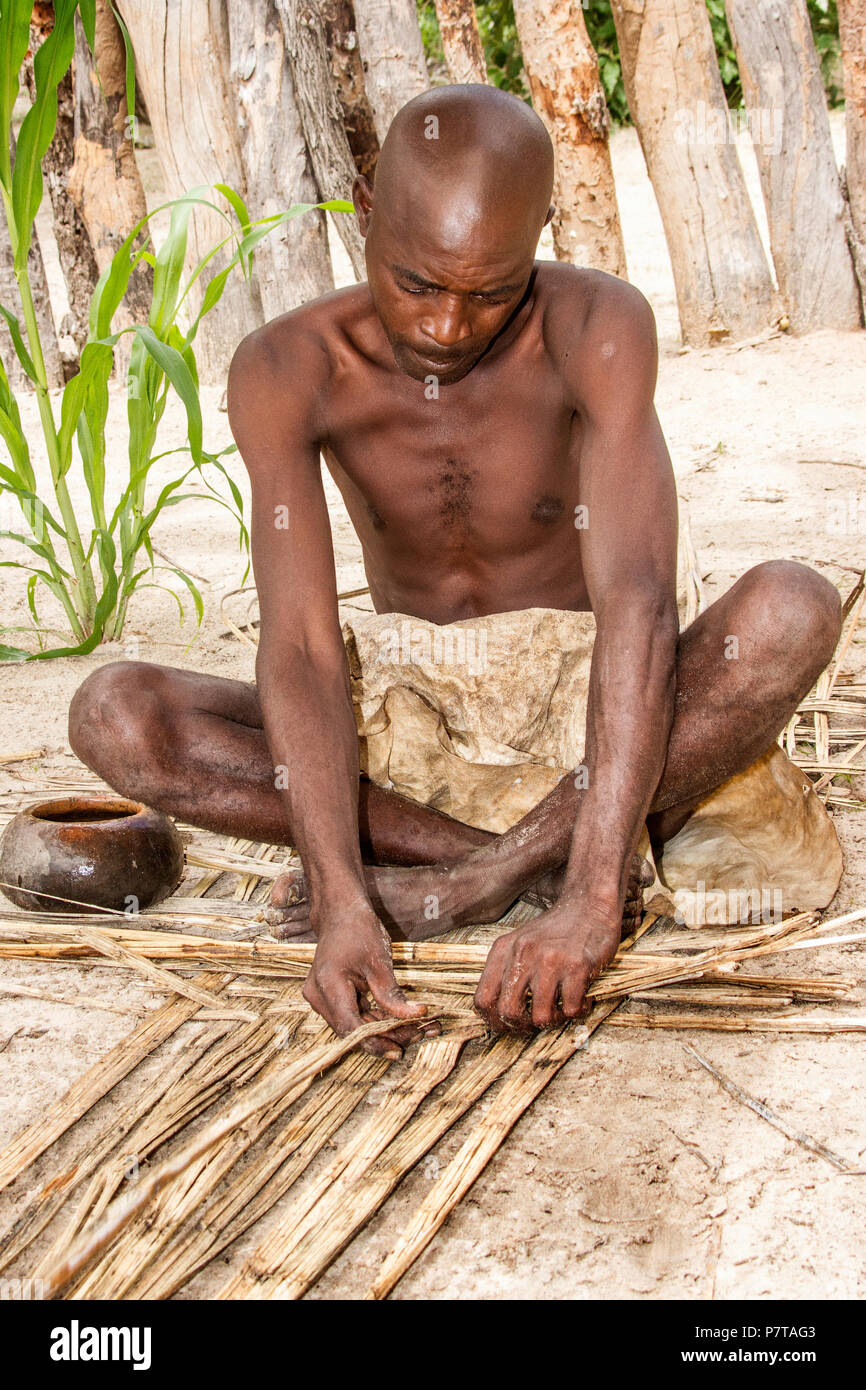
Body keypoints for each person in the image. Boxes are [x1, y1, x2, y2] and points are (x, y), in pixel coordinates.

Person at [68, 85, 843, 1056]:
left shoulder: (594, 326)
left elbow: (636, 604)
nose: (445, 327)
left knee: (789, 606)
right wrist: (344, 900)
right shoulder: (287, 367)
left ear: (541, 239)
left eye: (489, 292)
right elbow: (304, 647)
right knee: (115, 713)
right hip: (405, 733)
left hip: (596, 720)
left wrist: (592, 898)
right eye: (417, 282)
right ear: (364, 208)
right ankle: (505, 857)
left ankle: (480, 880)